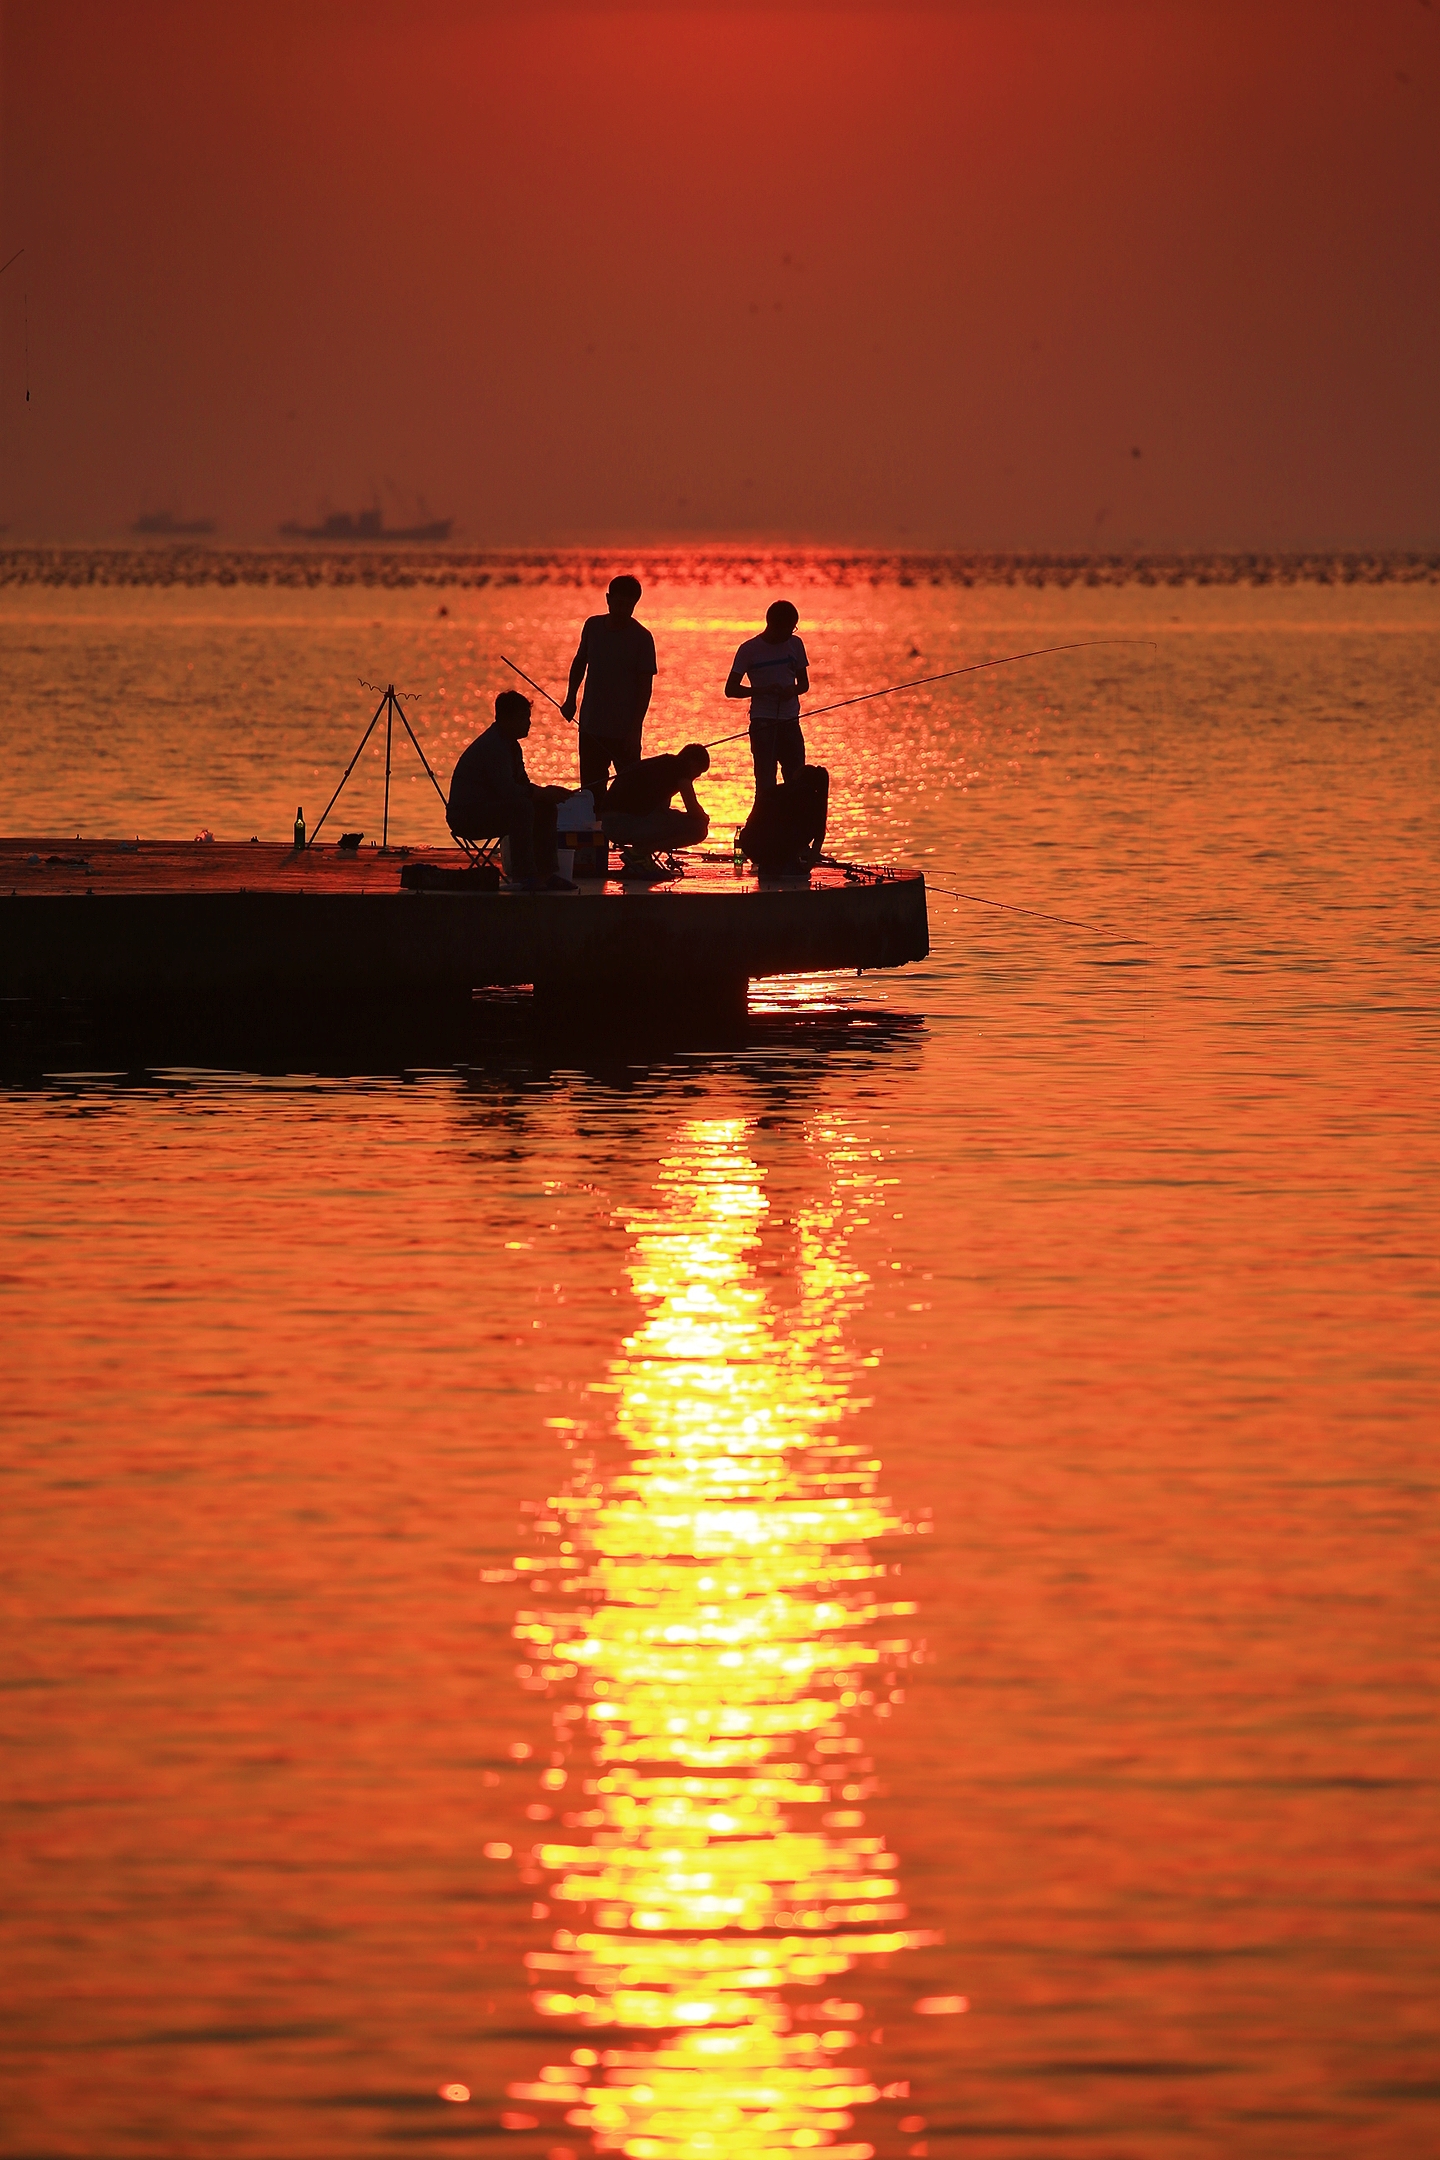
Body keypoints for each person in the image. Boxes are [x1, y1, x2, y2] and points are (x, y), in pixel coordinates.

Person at [446, 690, 576, 890]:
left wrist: (546, 794)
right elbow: (509, 791)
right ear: (505, 719)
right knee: (522, 808)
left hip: (490, 808)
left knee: (545, 807)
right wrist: (541, 793)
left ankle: (546, 873)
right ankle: (524, 876)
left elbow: (523, 786)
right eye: (523, 718)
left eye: (528, 717)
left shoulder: (512, 747)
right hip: (467, 816)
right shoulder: (493, 747)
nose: (529, 723)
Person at [561, 574, 658, 802]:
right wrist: (570, 699)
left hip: (624, 731)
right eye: (620, 603)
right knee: (591, 793)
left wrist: (635, 729)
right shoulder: (593, 626)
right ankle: (597, 834)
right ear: (608, 599)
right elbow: (580, 662)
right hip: (591, 726)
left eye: (630, 605)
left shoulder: (642, 638)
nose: (624, 609)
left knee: (632, 790)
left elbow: (645, 689)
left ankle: (626, 836)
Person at [724, 600, 809, 791]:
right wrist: (763, 691)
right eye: (788, 628)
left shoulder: (795, 644)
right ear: (773, 625)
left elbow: (804, 684)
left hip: (790, 721)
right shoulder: (749, 650)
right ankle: (765, 818)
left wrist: (792, 690)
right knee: (765, 782)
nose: (791, 633)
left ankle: (792, 817)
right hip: (763, 723)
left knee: (796, 779)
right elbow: (730, 689)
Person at [602, 742, 711, 881]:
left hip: (612, 823)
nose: (695, 778)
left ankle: (640, 857)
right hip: (622, 823)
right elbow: (692, 808)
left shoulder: (663, 766)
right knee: (698, 828)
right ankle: (638, 854)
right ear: (692, 764)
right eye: (698, 772)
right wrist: (704, 818)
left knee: (673, 818)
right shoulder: (680, 767)